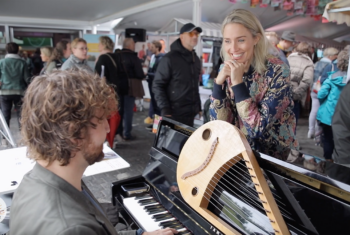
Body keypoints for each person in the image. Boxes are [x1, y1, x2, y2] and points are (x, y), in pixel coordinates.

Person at [10, 69, 178, 235]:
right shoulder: (71, 228)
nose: (107, 128)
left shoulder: (38, 180)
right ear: (73, 132)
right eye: (100, 119)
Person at [209, 9, 298, 160]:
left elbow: (257, 128)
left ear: (256, 38)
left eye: (241, 40)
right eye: (227, 41)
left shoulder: (278, 70)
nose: (233, 48)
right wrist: (218, 84)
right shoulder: (227, 68)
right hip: (239, 153)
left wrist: (238, 84)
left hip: (271, 157)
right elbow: (219, 124)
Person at [153, 23, 202, 127]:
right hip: (170, 113)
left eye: (196, 34)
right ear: (182, 37)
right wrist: (165, 109)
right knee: (162, 142)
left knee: (185, 143)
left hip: (188, 114)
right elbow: (157, 85)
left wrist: (198, 107)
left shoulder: (196, 59)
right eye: (191, 33)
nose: (194, 36)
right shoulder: (169, 58)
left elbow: (194, 85)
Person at [317, 48, 348, 161]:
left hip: (329, 115)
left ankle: (328, 162)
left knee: (328, 139)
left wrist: (324, 103)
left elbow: (321, 94)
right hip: (344, 118)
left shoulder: (332, 77)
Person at [115, 38, 145, 140]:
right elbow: (139, 74)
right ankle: (127, 133)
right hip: (130, 87)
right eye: (133, 44)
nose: (134, 46)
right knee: (128, 111)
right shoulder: (133, 57)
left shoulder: (117, 56)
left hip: (118, 86)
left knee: (119, 110)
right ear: (129, 45)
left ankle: (118, 132)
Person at [308, 47, 338, 138]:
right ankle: (318, 132)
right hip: (323, 89)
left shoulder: (317, 63)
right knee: (321, 111)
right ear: (331, 56)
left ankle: (311, 130)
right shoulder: (330, 65)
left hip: (314, 88)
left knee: (313, 110)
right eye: (335, 55)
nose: (337, 57)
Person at [0, 42, 30, 128]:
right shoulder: (22, 63)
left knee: (5, 113)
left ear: (6, 51)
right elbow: (27, 78)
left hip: (4, 91)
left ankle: (6, 136)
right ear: (17, 51)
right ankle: (23, 134)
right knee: (21, 113)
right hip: (19, 91)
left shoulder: (1, 62)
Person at [287, 42, 314, 125]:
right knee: (292, 124)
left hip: (284, 92)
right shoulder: (308, 62)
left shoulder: (288, 58)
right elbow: (307, 80)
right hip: (295, 96)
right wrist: (297, 94)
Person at [144, 40, 165, 130]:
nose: (150, 49)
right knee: (154, 106)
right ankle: (155, 126)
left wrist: (148, 74)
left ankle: (157, 127)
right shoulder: (153, 57)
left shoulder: (161, 58)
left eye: (152, 47)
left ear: (157, 48)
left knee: (157, 107)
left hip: (156, 84)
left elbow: (158, 73)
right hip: (151, 83)